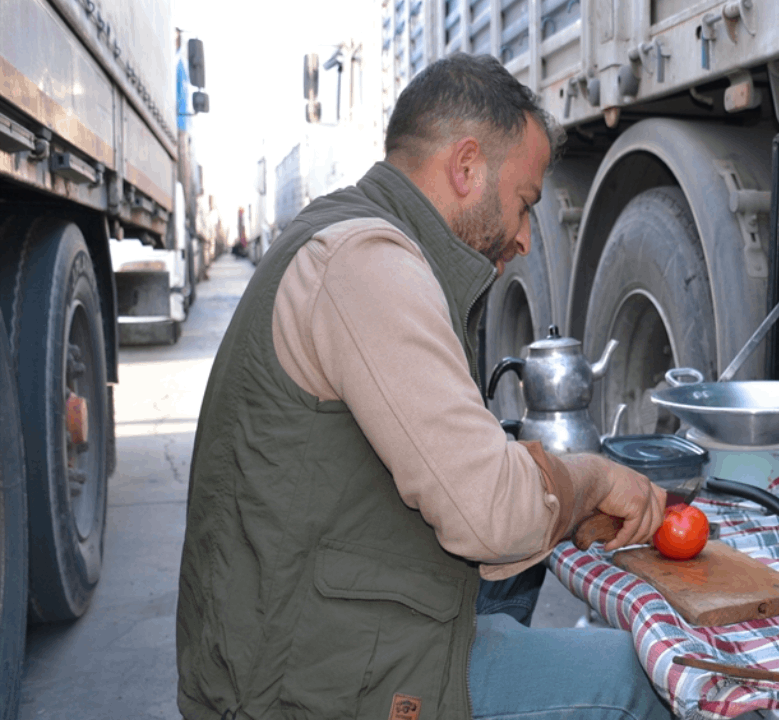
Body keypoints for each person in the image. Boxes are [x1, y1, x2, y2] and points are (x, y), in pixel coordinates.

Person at [176, 53, 672, 720]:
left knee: (520, 574)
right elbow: (490, 516)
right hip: (304, 686)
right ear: (467, 167)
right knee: (636, 675)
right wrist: (590, 482)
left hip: (305, 636)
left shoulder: (348, 234)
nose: (526, 238)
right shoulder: (367, 264)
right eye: (524, 205)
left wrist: (558, 508)